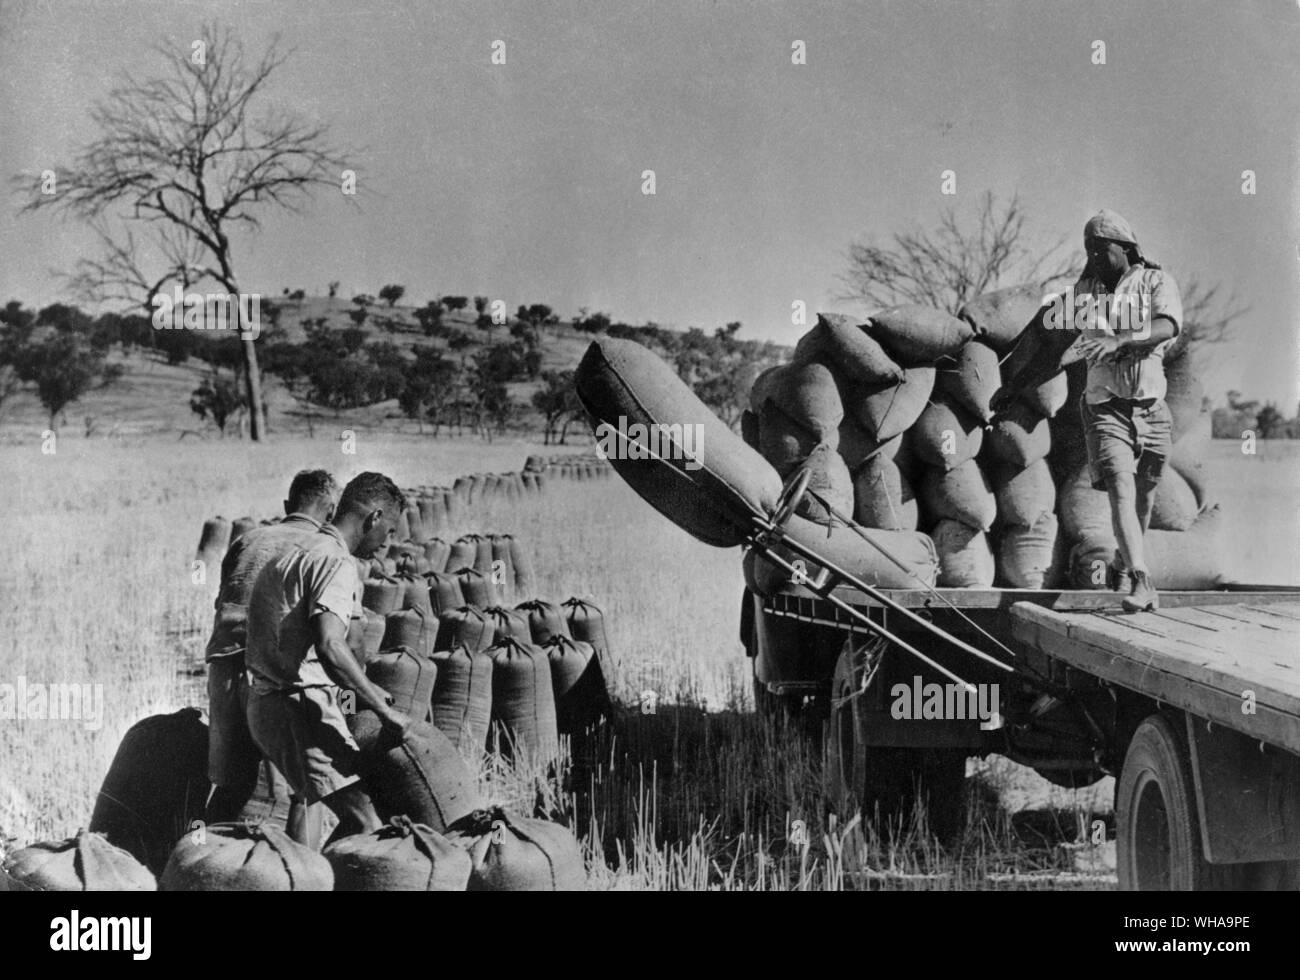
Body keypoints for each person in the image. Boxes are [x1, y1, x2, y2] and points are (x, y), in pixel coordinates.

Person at [992, 209, 1182, 612]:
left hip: (1151, 408)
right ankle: (1141, 580)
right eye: (1088, 251)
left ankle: (1124, 563)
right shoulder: (1085, 295)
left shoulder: (1155, 282)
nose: (1095, 258)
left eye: (1102, 249)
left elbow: (1166, 326)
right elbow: (1051, 345)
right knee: (1121, 489)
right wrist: (1013, 386)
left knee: (1145, 495)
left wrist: (1120, 342)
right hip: (1104, 408)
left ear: (1126, 247)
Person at [244, 471, 411, 843]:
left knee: (310, 806)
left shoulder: (297, 552)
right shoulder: (336, 563)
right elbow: (331, 647)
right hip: (298, 708)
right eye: (392, 530)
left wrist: (362, 691)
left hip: (268, 703)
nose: (389, 542)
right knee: (366, 822)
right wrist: (385, 712)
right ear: (374, 518)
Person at [204, 470, 340, 827]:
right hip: (276, 682)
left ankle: (200, 861)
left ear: (287, 506)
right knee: (311, 791)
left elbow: (223, 601)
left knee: (229, 785)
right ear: (331, 513)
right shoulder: (324, 550)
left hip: (225, 672)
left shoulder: (247, 541)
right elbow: (332, 636)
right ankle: (302, 876)